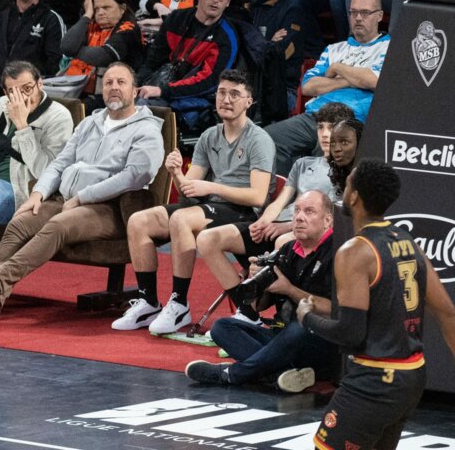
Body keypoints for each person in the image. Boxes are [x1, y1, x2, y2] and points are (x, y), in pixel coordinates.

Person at [0, 63, 164, 323]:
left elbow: (136, 175)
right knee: (20, 222)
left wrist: (83, 197)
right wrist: (39, 193)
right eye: (108, 82)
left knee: (58, 225)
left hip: (109, 208)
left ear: (135, 91)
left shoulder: (146, 129)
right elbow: (60, 163)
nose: (113, 87)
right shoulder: (91, 122)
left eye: (121, 83)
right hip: (65, 199)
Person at [298, 160, 455, 450]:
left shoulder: (355, 251)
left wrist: (306, 317)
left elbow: (351, 333)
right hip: (411, 378)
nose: (344, 190)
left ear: (354, 196)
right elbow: (447, 312)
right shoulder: (409, 242)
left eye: (347, 186)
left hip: (374, 379)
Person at [115, 70, 273, 333]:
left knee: (181, 218)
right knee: (139, 221)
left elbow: (257, 196)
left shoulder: (259, 140)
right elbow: (189, 191)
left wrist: (211, 186)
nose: (226, 99)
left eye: (235, 94)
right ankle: (148, 301)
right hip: (209, 206)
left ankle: (179, 303)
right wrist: (176, 172)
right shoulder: (210, 136)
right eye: (222, 92)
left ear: (249, 101)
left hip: (244, 214)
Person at [197, 101, 352, 320]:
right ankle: (247, 311)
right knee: (208, 239)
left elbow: (335, 217)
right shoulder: (302, 164)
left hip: (303, 233)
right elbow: (280, 202)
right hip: (277, 227)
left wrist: (286, 226)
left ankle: (280, 312)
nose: (325, 134)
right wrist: (263, 222)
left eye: (332, 128)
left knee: (284, 242)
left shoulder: (349, 171)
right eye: (321, 127)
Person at [186, 189, 338, 392]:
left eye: (309, 212)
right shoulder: (287, 250)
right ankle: (281, 373)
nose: (300, 218)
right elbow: (258, 306)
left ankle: (232, 374)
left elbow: (334, 309)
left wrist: (289, 289)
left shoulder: (338, 252)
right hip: (282, 337)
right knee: (222, 327)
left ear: (327, 220)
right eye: (297, 211)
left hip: (319, 340)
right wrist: (258, 279)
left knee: (298, 328)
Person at [264, 0, 389, 175]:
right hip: (314, 116)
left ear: (379, 16)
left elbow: (373, 81)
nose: (358, 18)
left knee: (324, 159)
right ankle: (283, 196)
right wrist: (351, 80)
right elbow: (309, 86)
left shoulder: (389, 48)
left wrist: (338, 68)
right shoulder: (334, 49)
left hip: (350, 120)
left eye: (365, 13)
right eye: (353, 12)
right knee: (267, 138)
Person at [0, 61, 75, 226]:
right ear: (5, 92)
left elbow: (47, 172)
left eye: (27, 88)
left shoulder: (59, 117)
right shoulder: (2, 104)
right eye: (13, 91)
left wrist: (22, 127)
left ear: (40, 84)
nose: (22, 97)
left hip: (18, 188)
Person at [136, 0, 243, 129]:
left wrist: (163, 91)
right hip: (162, 87)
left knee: (143, 111)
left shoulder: (227, 37)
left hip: (195, 97)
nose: (216, 0)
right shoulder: (175, 19)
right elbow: (152, 62)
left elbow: (210, 83)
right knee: (119, 100)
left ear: (228, 1)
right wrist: (134, 85)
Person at [243, 0, 322, 96]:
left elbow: (281, 55)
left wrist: (257, 50)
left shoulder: (291, 11)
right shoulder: (243, 10)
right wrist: (268, 43)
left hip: (281, 90)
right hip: (246, 85)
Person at [60, 0, 145, 107]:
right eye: (96, 9)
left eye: (106, 8)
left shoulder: (129, 27)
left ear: (122, 9)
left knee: (76, 108)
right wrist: (87, 14)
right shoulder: (90, 24)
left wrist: (74, 50)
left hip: (114, 93)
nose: (100, 12)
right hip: (77, 89)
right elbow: (66, 46)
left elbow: (103, 56)